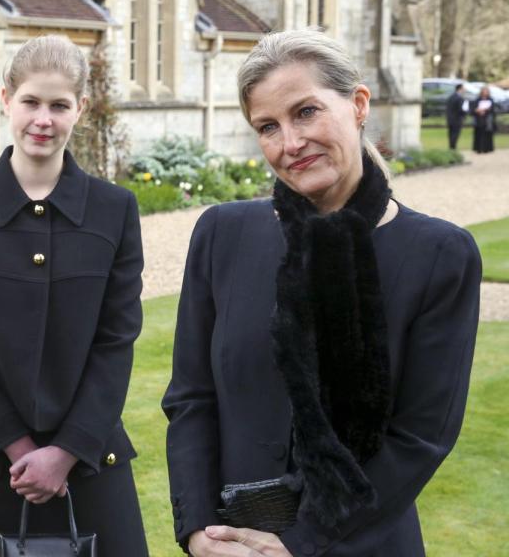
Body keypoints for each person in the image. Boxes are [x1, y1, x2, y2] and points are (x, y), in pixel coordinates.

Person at [162, 29, 481, 557]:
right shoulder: (223, 234)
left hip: (363, 545)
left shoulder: (439, 254)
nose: (289, 144)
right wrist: (197, 532)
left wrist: (300, 544)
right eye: (268, 127)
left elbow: (421, 436)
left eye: (305, 112)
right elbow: (192, 398)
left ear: (358, 104)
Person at [0, 35, 148, 556]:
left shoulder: (116, 209)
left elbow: (116, 341)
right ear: (6, 99)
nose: (42, 119)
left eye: (58, 105)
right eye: (30, 102)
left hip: (89, 467)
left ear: (81, 109)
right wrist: (20, 449)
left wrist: (65, 452)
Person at [471, 85, 497, 153]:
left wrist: (486, 110)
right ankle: (478, 148)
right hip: (479, 119)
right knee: (479, 133)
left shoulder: (490, 99)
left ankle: (487, 148)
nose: (485, 92)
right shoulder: (477, 99)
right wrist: (478, 110)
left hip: (487, 119)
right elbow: (473, 109)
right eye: (484, 91)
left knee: (487, 133)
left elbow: (493, 109)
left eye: (486, 91)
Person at [445, 82, 467, 149]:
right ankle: (453, 148)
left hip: (450, 119)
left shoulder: (450, 97)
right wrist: (465, 114)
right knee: (455, 135)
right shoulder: (460, 98)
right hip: (457, 119)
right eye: (464, 89)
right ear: (460, 89)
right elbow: (461, 109)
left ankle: (451, 148)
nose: (465, 90)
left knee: (451, 134)